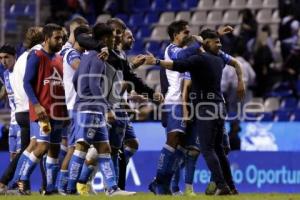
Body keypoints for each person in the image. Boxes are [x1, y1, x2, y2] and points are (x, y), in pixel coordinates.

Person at [143, 29, 245, 195]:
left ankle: (221, 185)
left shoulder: (199, 60)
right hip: (219, 107)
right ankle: (231, 186)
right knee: (219, 149)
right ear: (207, 43)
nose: (219, 45)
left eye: (219, 42)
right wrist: (241, 81)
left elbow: (175, 65)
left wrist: (155, 61)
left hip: (206, 108)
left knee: (207, 149)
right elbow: (234, 63)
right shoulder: (218, 58)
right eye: (216, 42)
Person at [67, 22, 134, 196]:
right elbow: (94, 85)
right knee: (81, 148)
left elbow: (76, 81)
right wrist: (106, 108)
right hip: (91, 110)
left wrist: (83, 97)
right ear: (105, 38)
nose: (114, 40)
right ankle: (68, 188)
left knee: (104, 148)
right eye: (112, 37)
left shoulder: (88, 56)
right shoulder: (99, 57)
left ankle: (112, 188)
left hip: (88, 107)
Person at [17, 23, 67, 195]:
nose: (60, 41)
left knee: (54, 150)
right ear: (46, 39)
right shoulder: (36, 55)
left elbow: (61, 86)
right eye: (57, 38)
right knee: (42, 146)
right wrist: (36, 105)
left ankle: (50, 187)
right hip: (42, 112)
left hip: (58, 112)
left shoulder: (59, 58)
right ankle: (22, 179)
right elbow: (26, 82)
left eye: (62, 38)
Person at [0, 45, 21, 161]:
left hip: (23, 119)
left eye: (6, 57)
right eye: (1, 58)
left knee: (21, 155)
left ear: (15, 56)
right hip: (13, 122)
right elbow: (4, 93)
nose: (3, 61)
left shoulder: (21, 72)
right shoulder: (6, 74)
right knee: (12, 156)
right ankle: (16, 180)